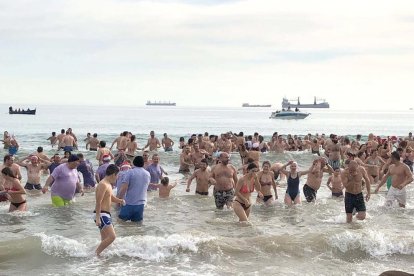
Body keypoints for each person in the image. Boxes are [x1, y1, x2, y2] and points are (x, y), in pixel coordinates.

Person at [94, 164, 125, 256]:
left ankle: (100, 257)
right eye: (117, 175)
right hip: (102, 214)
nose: (117, 177)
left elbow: (110, 197)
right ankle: (96, 254)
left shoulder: (108, 184)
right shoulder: (103, 184)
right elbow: (98, 202)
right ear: (113, 174)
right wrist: (98, 217)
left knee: (104, 239)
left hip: (106, 214)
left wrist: (119, 200)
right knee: (112, 237)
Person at [117, 156, 150, 224]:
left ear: (134, 163)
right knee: (137, 225)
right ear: (143, 163)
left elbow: (124, 188)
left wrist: (119, 200)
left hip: (129, 203)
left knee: (121, 223)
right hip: (141, 204)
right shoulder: (147, 174)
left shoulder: (130, 172)